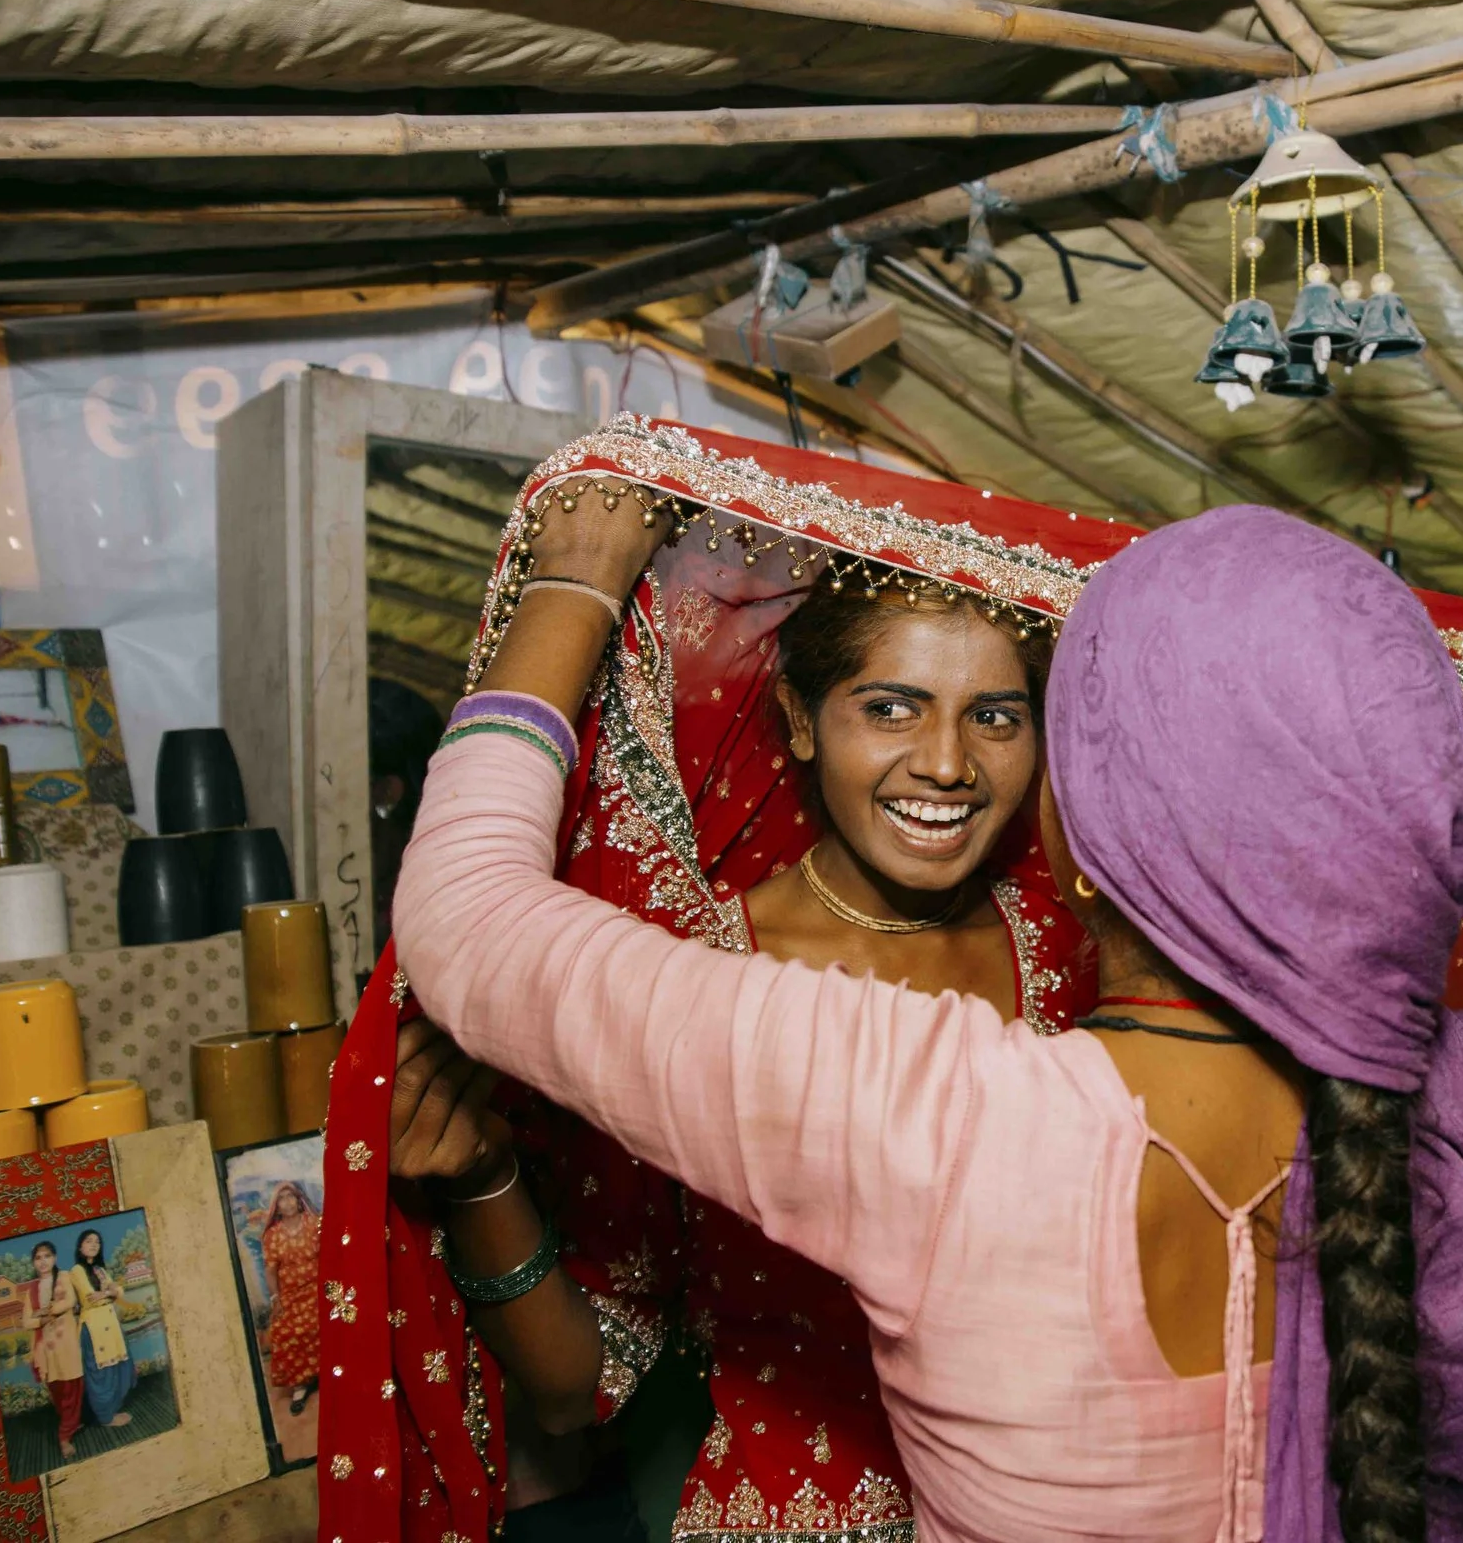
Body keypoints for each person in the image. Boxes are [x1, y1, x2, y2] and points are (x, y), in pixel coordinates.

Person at [387, 495, 1463, 1542]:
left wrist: (572, 582)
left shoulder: (933, 1116)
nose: (952, 762)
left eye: (1010, 719)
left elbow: (465, 921)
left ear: (1071, 821)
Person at [327, 475, 1096, 1541]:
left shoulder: (1079, 947)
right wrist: (485, 1176)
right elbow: (577, 1386)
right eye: (890, 707)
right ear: (798, 720)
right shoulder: (694, 970)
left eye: (996, 717)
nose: (946, 764)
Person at [257, 1184, 322, 1415]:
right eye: (282, 1199)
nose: (287, 1202)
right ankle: (301, 1386)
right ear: (277, 1206)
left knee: (328, 1324)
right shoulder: (273, 1235)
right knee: (287, 1332)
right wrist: (276, 1298)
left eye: (291, 1197)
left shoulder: (315, 1223)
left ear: (298, 1199)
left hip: (319, 1289)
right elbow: (270, 1270)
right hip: (291, 1295)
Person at [20, 1241, 86, 1460]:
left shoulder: (64, 1277)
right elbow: (27, 1322)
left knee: (72, 1387)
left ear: (55, 1258)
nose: (43, 1261)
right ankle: (71, 1423)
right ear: (34, 1262)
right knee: (57, 1390)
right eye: (38, 1257)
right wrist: (42, 1319)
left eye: (47, 1256)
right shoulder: (30, 1290)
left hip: (66, 1343)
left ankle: (64, 1435)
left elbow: (70, 1300)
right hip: (46, 1350)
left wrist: (47, 1312)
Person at [67, 1229, 134, 1430]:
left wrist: (107, 1293)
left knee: (119, 1369)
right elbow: (90, 1299)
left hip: (111, 1325)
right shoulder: (76, 1270)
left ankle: (112, 1410)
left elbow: (120, 1290)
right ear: (80, 1246)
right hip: (94, 1328)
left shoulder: (100, 1270)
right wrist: (111, 1293)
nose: (94, 1245)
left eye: (97, 1242)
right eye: (89, 1241)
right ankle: (105, 1417)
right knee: (100, 1374)